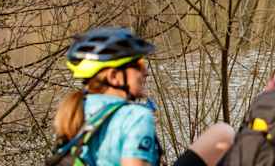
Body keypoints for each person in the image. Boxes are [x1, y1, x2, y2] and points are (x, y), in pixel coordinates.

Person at [53, 27, 234, 166]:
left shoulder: (76, 108)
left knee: (222, 134)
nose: (145, 72)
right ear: (113, 77)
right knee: (227, 134)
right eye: (138, 64)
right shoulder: (136, 117)